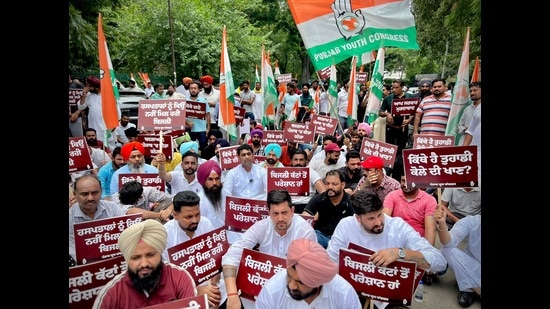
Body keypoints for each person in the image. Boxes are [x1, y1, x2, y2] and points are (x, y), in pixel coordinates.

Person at [326, 188, 447, 309]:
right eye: (371, 218)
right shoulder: (346, 225)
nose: (378, 222)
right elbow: (329, 261)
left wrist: (400, 253)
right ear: (358, 218)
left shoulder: (398, 227)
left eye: (380, 214)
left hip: (389, 298)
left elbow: (440, 262)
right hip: (353, 292)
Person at [221, 189, 317, 309]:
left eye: (284, 213)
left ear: (292, 211)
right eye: (275, 214)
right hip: (261, 285)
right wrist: (232, 295)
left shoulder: (305, 231)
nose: (280, 218)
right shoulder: (261, 226)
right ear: (269, 213)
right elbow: (231, 256)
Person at [92, 220, 198, 308]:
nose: (144, 264)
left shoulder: (179, 277)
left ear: (160, 254)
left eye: (150, 255)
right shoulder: (112, 292)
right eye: (136, 258)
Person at [255, 238, 361, 308]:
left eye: (300, 282)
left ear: (319, 281)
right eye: (289, 276)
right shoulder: (272, 291)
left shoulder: (343, 293)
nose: (292, 286)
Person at [69, 175, 127, 261]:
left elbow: (126, 233)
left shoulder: (113, 208)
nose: (90, 198)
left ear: (101, 191)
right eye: (84, 194)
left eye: (95, 193)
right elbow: (72, 247)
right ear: (75, 195)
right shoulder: (70, 216)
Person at [434, 207, 481, 308]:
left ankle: (469, 289)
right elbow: (448, 242)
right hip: (473, 266)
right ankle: (477, 290)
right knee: (447, 251)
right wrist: (442, 223)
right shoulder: (472, 221)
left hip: (470, 271)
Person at [303, 169, 353, 249]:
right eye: (327, 183)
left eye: (334, 184)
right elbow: (305, 218)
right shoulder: (319, 199)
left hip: (342, 239)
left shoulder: (351, 201)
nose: (330, 187)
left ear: (343, 185)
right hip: (321, 236)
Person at [379, 79, 416, 156]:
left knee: (401, 149)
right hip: (390, 128)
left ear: (402, 87)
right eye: (393, 88)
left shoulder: (410, 97)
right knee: (389, 148)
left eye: (397, 88)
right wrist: (387, 114)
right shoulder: (388, 98)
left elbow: (415, 112)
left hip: (403, 128)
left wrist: (409, 119)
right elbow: (380, 112)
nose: (394, 90)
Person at [287, 149, 326, 214]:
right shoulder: (285, 173)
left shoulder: (311, 172)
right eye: (295, 160)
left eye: (301, 160)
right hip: (288, 205)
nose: (298, 163)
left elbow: (323, 192)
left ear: (306, 161)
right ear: (291, 161)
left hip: (307, 205)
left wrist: (318, 209)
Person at [78, 76, 107, 143]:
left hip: (105, 125)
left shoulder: (106, 95)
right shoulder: (89, 95)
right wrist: (83, 96)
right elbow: (81, 107)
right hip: (93, 125)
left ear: (96, 87)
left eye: (89, 86)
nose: (87, 88)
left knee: (106, 144)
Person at [187, 80, 211, 152]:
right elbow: (181, 115)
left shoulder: (203, 101)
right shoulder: (185, 101)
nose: (193, 90)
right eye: (191, 88)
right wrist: (187, 123)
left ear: (198, 90)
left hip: (202, 129)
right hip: (190, 129)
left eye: (195, 88)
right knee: (191, 149)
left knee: (204, 149)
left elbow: (208, 115)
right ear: (189, 90)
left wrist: (208, 128)